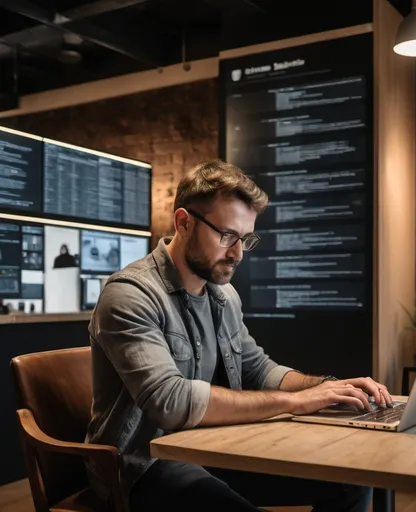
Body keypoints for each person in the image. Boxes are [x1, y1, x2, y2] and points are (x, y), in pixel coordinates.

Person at [86, 159, 392, 512]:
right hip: (140, 466)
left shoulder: (223, 294)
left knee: (351, 479)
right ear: (183, 222)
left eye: (246, 239)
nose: (237, 254)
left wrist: (326, 389)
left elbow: (258, 369)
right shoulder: (129, 294)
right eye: (227, 235)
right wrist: (296, 402)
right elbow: (168, 402)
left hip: (212, 448)